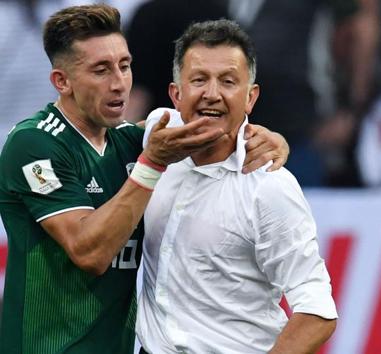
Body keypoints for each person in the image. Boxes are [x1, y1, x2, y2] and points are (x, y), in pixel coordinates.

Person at [0, 5, 289, 354]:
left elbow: (212, 130)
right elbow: (90, 253)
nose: (119, 83)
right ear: (62, 81)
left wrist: (268, 137)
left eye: (125, 66)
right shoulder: (34, 144)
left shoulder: (128, 141)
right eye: (101, 70)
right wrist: (152, 163)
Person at [136, 19, 337, 353]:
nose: (212, 94)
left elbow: (317, 310)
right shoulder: (157, 137)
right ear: (176, 94)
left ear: (250, 98)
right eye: (199, 79)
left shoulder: (270, 186)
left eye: (228, 81)